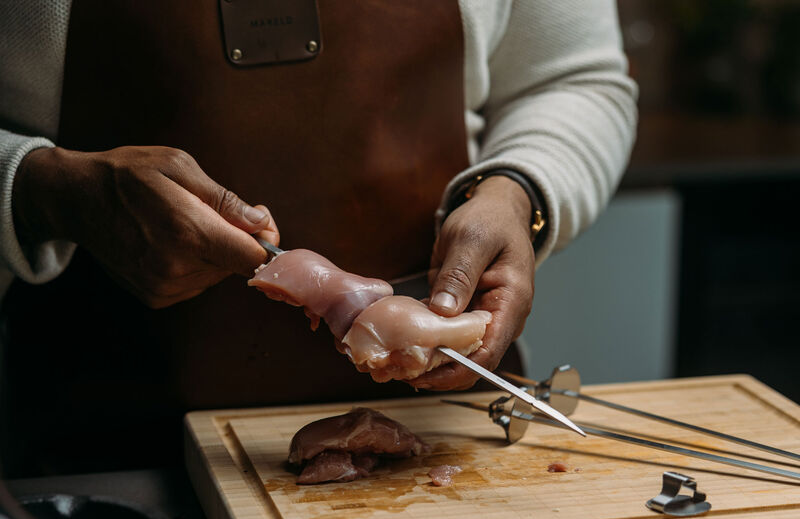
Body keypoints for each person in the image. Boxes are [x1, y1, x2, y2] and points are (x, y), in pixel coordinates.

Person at [0, 1, 637, 475]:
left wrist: (516, 191)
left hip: (448, 435)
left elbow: (576, 81)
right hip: (86, 449)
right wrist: (39, 189)